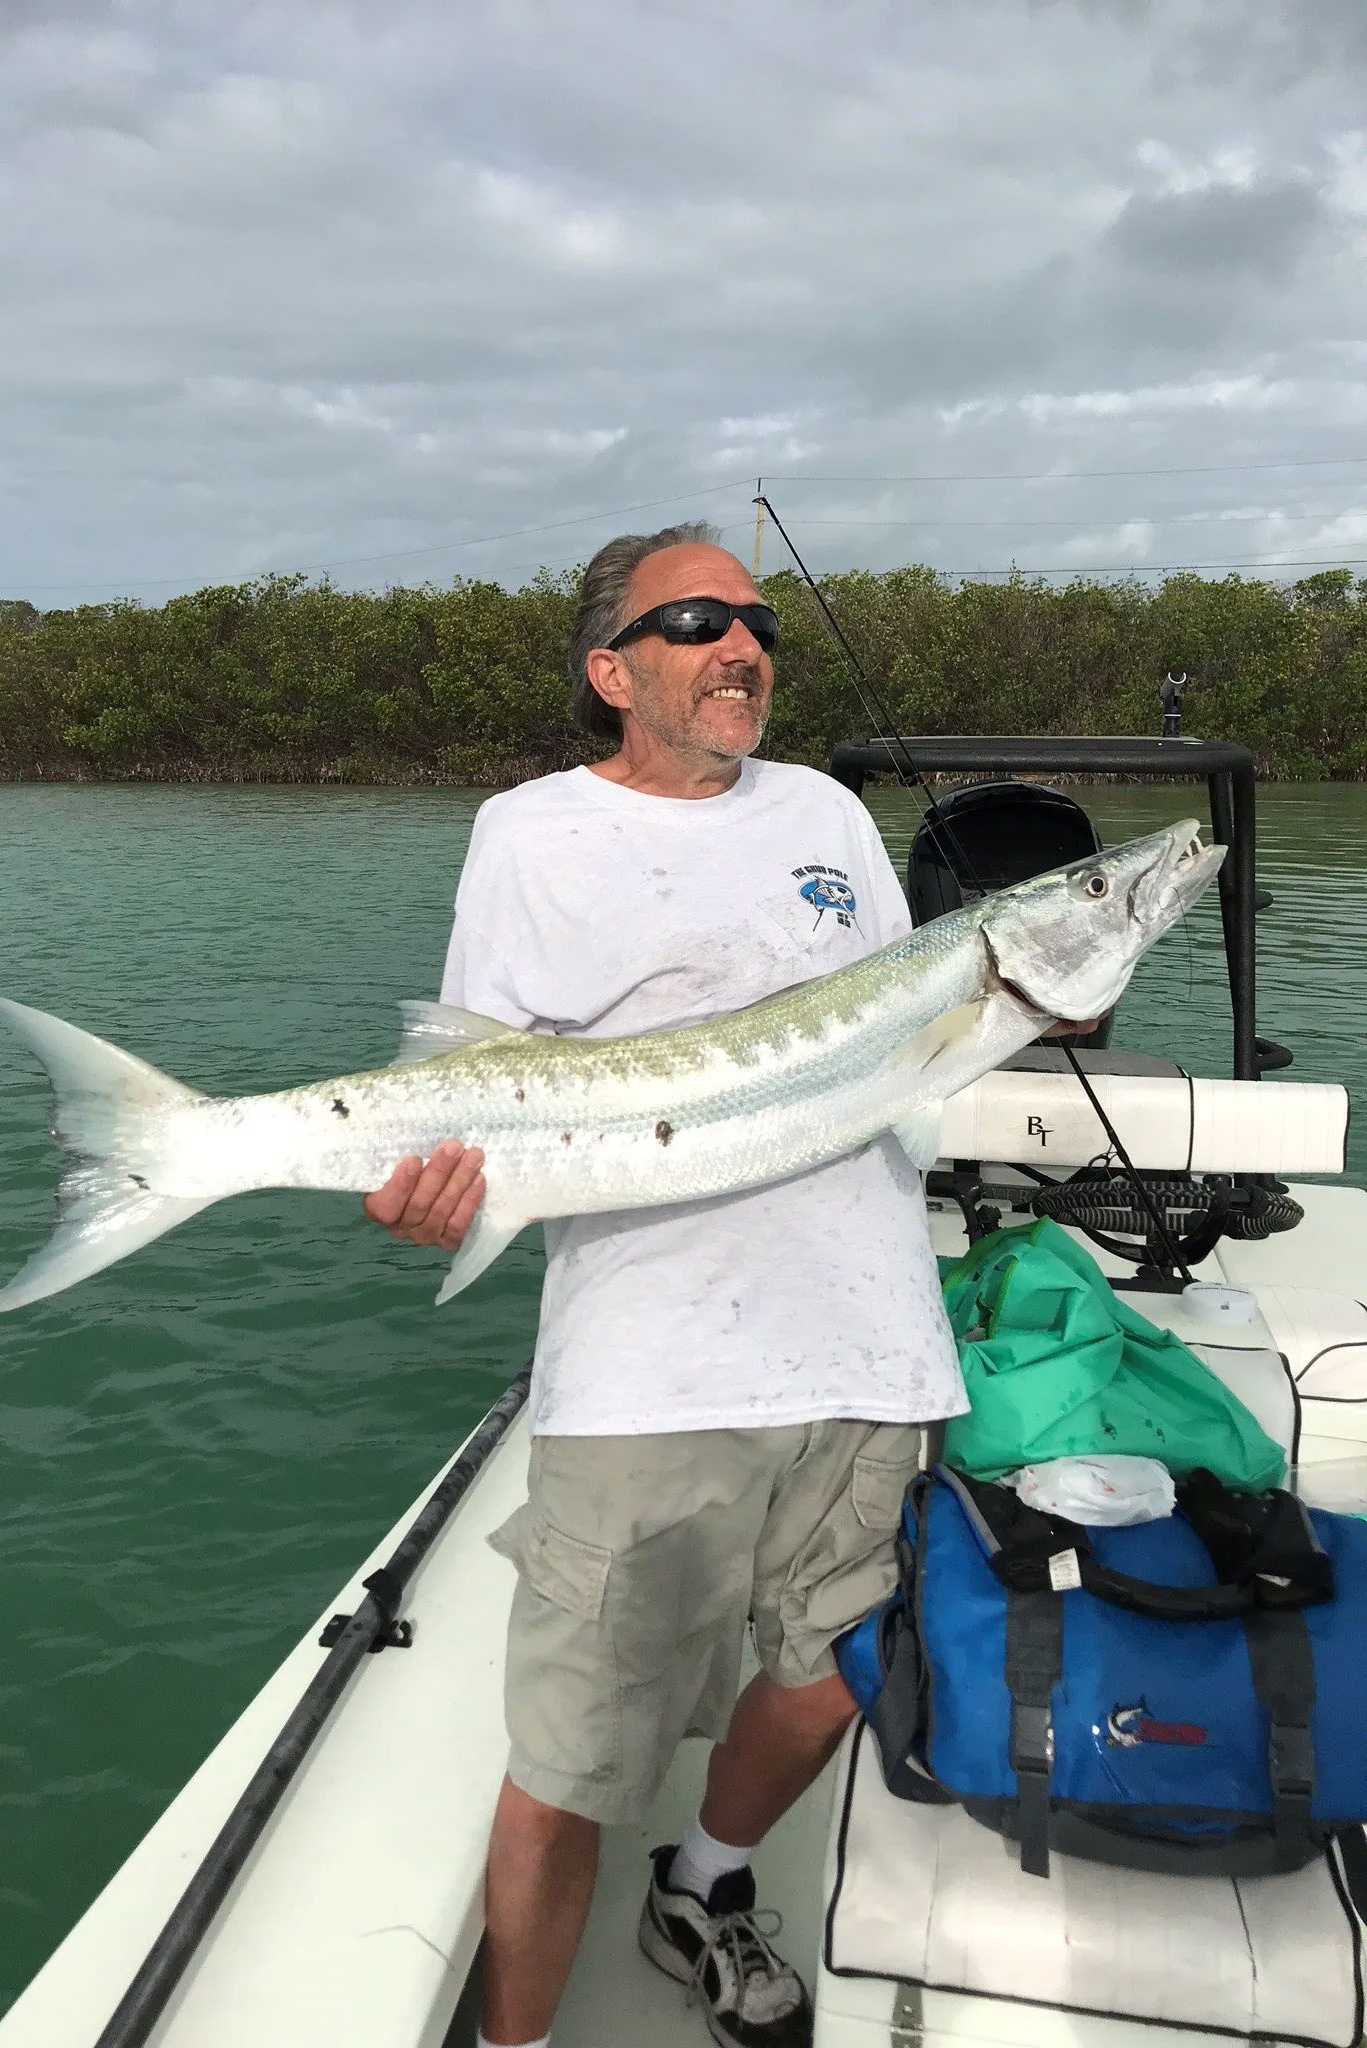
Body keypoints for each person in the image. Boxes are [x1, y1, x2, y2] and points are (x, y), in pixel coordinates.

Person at [362, 526, 1046, 2048]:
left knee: (832, 1677)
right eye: (695, 621)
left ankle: (708, 1881)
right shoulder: (529, 830)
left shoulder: (822, 814)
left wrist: (1037, 988)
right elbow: (470, 1086)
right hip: (650, 1370)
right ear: (613, 670)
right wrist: (438, 1196)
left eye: (757, 619)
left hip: (869, 1347)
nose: (743, 645)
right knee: (570, 1760)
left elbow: (905, 1033)